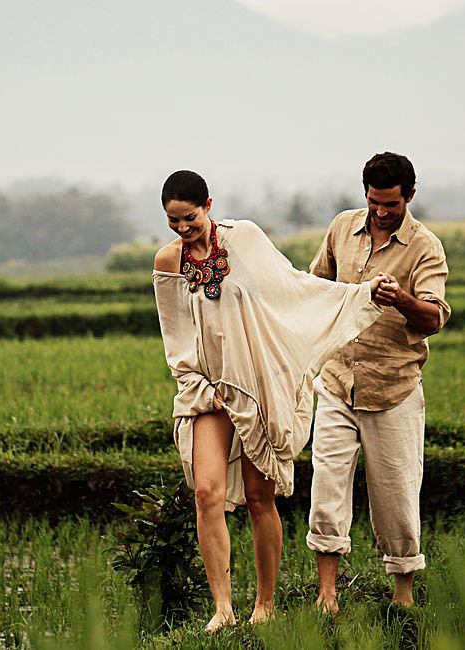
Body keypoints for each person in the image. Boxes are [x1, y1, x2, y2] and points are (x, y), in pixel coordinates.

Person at [152, 170, 385, 631]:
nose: (182, 229)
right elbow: (175, 337)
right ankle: (223, 609)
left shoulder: (247, 240)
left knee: (261, 497)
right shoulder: (168, 261)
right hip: (208, 391)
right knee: (206, 494)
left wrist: (358, 295)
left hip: (257, 386)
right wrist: (203, 388)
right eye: (173, 221)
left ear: (209, 205)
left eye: (190, 218)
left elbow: (294, 290)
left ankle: (264, 606)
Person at [305, 152, 451, 612]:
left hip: (393, 389)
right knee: (326, 484)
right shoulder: (341, 230)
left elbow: (435, 317)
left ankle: (403, 593)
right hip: (336, 381)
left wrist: (401, 299)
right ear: (365, 194)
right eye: (374, 202)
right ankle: (327, 595)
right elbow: (315, 289)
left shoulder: (425, 247)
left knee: (396, 492)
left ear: (409, 196)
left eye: (391, 204)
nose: (382, 212)